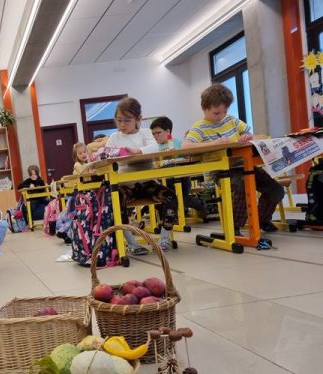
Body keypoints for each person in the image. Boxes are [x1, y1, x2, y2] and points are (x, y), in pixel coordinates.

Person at [183, 83, 284, 233]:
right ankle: (234, 228)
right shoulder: (199, 127)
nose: (221, 116)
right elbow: (186, 147)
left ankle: (261, 220)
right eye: (217, 113)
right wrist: (215, 143)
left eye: (225, 111)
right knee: (242, 184)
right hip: (221, 171)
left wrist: (247, 136)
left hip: (245, 165)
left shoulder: (231, 120)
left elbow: (250, 134)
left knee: (276, 190)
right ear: (204, 108)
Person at [106, 97, 179, 253]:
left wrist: (138, 151)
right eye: (119, 120)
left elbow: (155, 148)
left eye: (127, 120)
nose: (122, 124)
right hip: (126, 185)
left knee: (171, 197)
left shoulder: (145, 133)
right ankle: (132, 243)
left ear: (138, 119)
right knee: (116, 202)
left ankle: (164, 239)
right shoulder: (114, 138)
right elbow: (106, 157)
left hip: (148, 183)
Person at [150, 116, 206, 217]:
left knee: (183, 198)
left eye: (158, 133)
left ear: (168, 131)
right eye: (153, 134)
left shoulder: (178, 143)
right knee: (164, 199)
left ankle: (201, 206)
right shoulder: (153, 147)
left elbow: (188, 157)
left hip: (181, 177)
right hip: (164, 178)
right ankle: (169, 218)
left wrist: (179, 153)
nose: (155, 136)